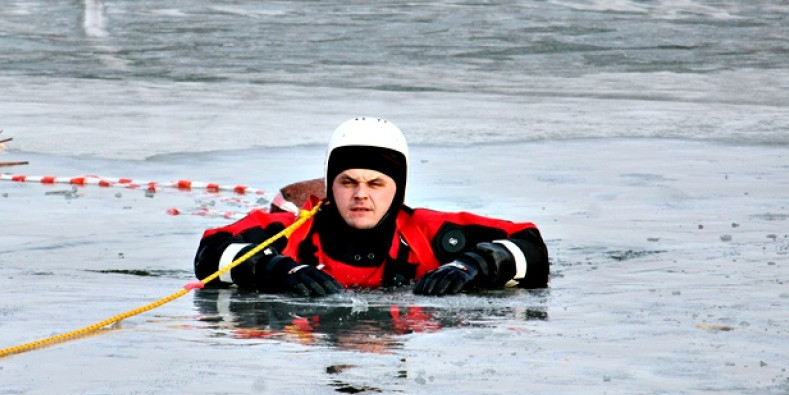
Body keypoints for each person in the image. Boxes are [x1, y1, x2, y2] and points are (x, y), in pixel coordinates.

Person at [193, 117, 549, 296]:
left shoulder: (429, 232)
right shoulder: (291, 231)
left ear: (398, 191)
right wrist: (276, 269)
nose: (361, 194)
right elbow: (209, 252)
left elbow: (531, 244)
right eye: (348, 182)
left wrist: (474, 264)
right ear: (331, 186)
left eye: (376, 183)